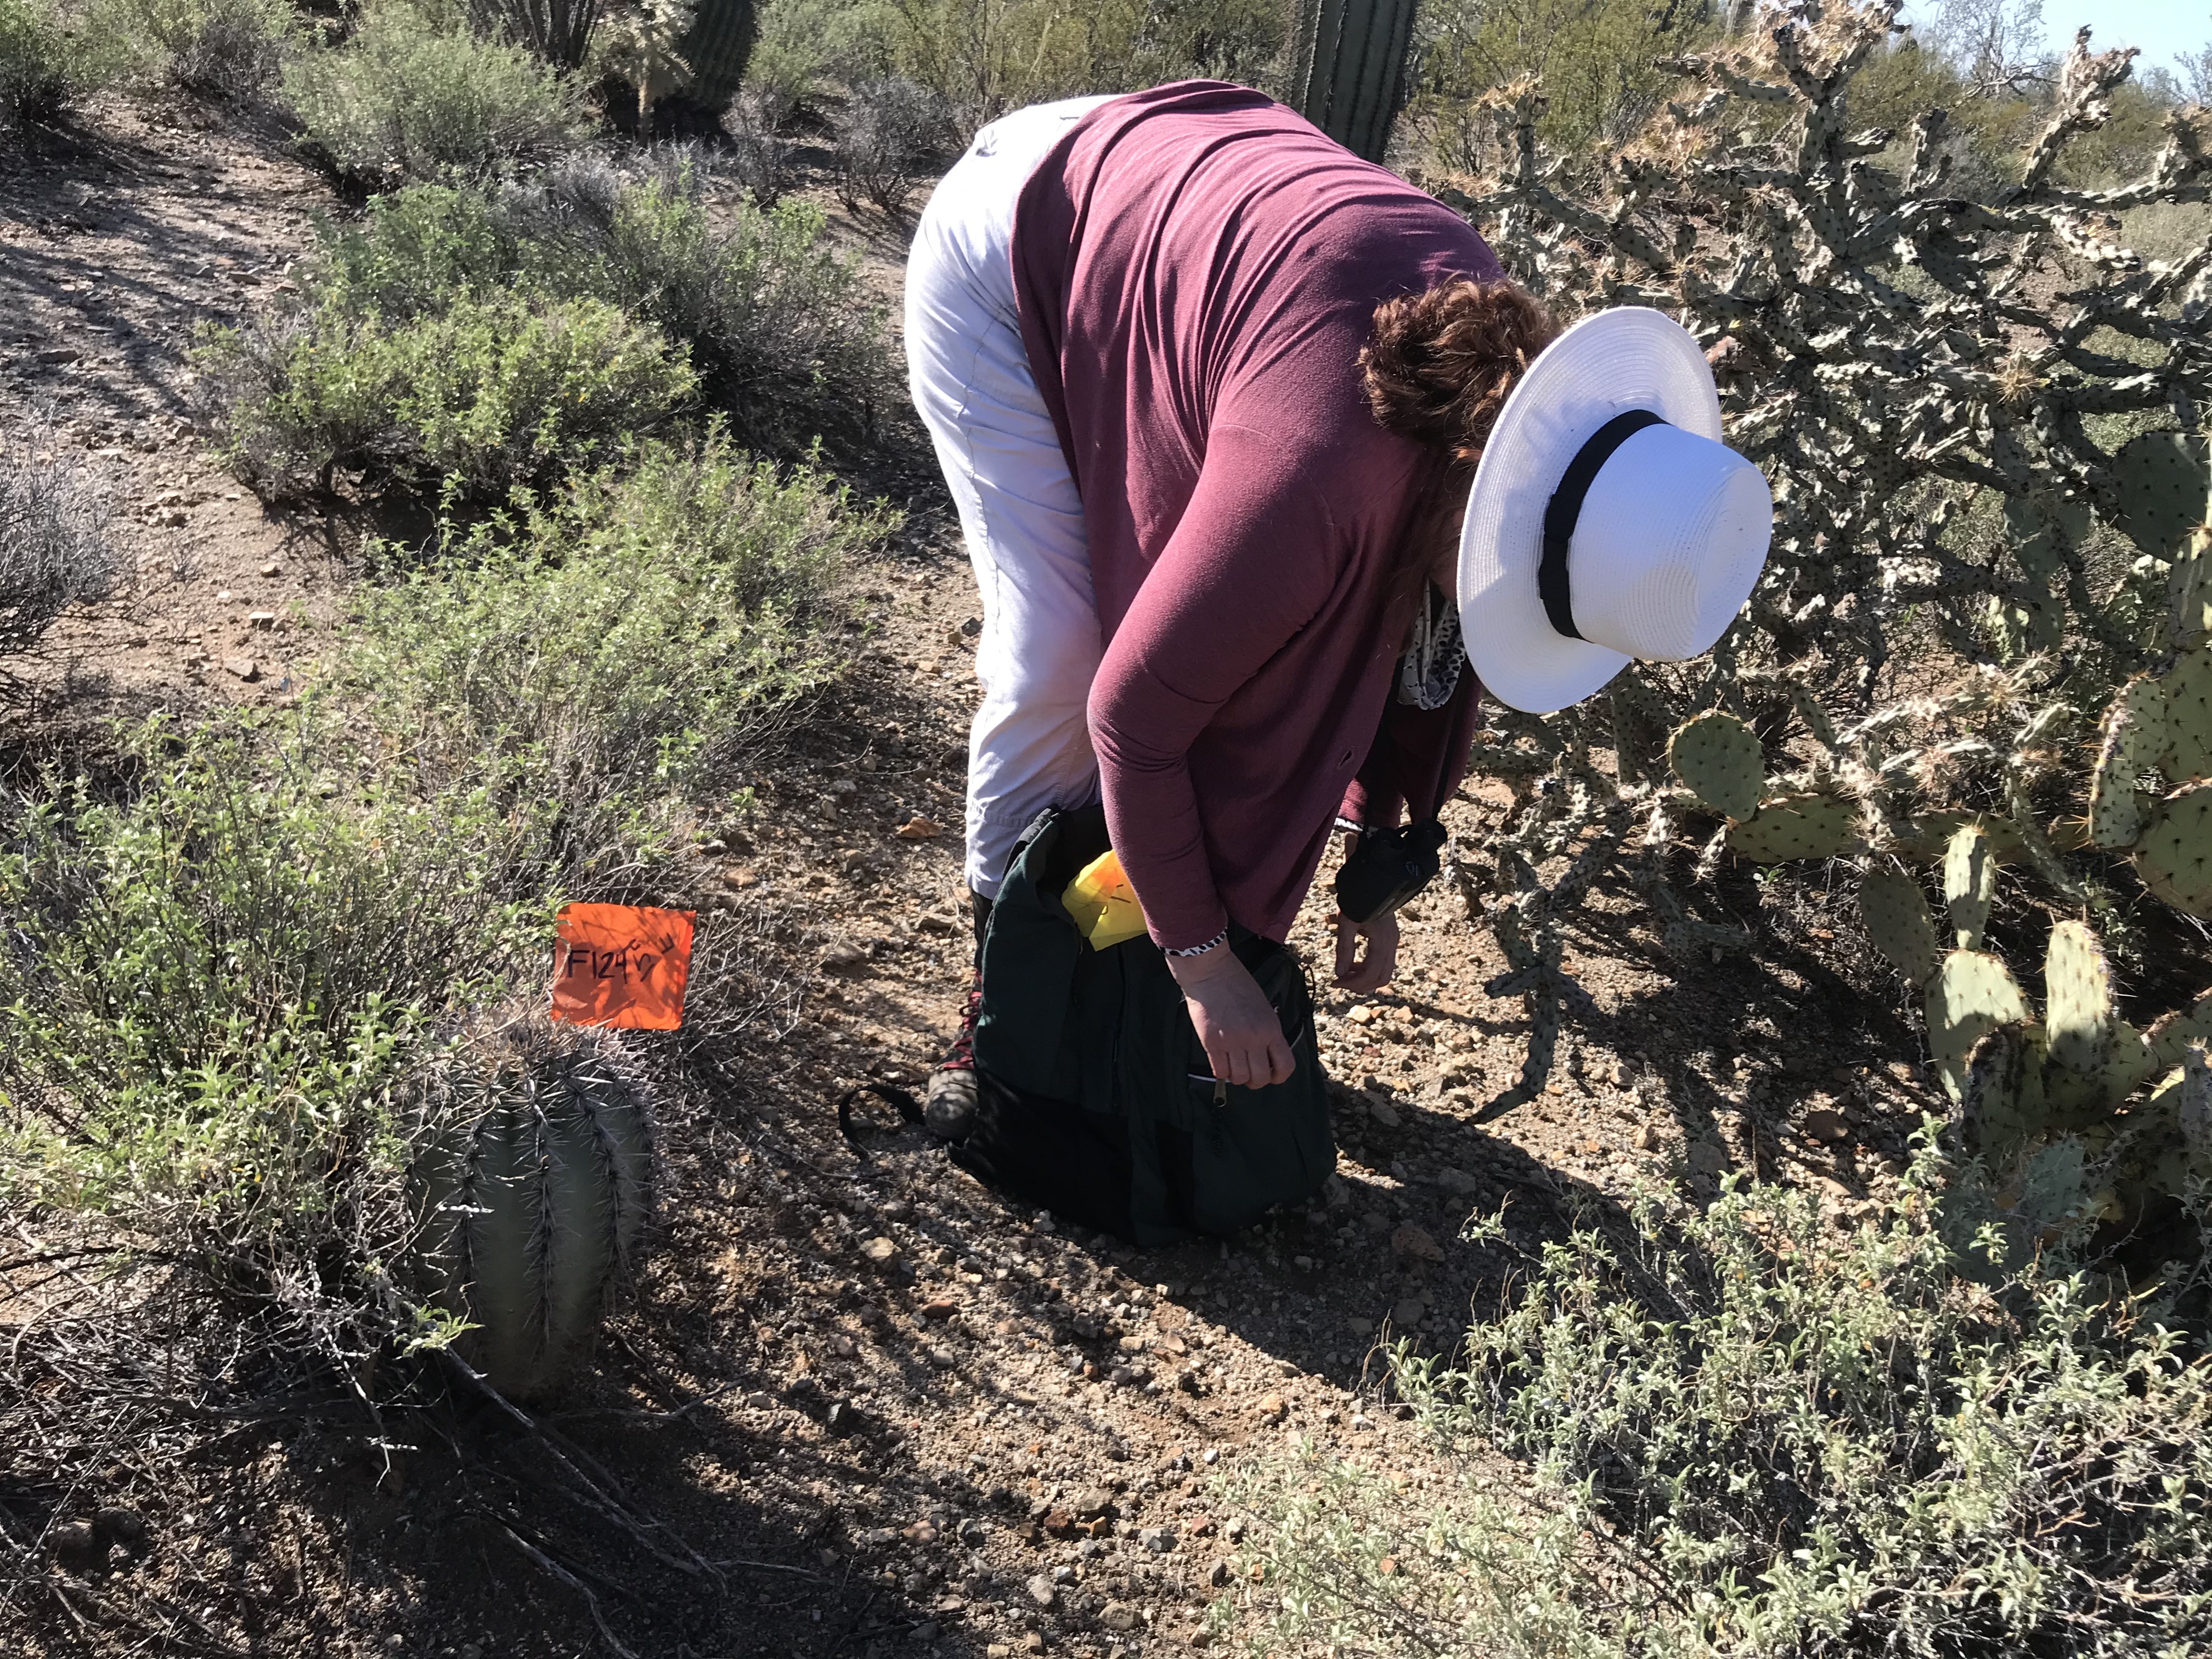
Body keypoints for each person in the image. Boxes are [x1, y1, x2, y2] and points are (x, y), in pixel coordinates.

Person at [904, 81, 1771, 1131]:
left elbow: (1411, 647)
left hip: (1193, 205)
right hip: (1020, 233)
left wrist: (1376, 854)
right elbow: (1133, 718)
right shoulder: (1322, 475)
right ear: (1489, 499)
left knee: (1207, 618)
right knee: (1061, 656)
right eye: (1512, 596)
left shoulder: (1506, 423)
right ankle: (1000, 999)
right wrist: (1203, 964)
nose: (1498, 617)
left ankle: (1076, 958)